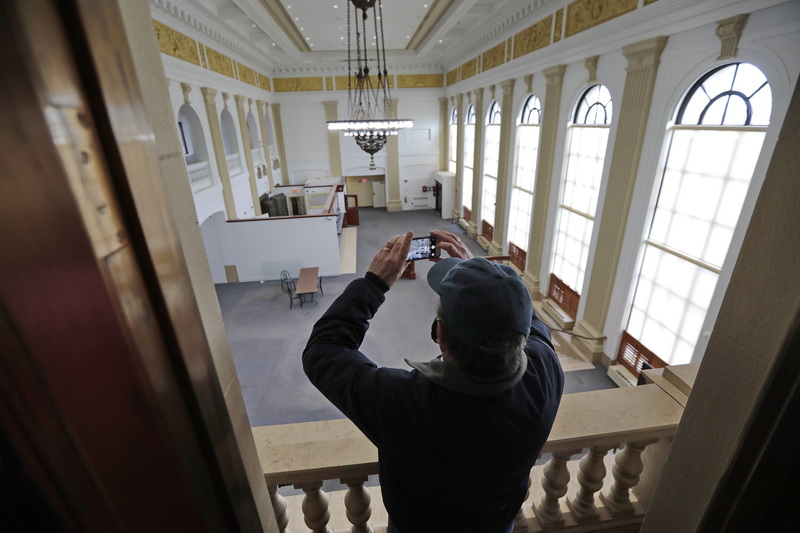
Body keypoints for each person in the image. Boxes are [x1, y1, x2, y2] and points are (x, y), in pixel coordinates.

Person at [303, 229, 564, 533]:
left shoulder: (400, 402)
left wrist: (373, 283)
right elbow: (535, 328)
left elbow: (323, 351)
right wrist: (490, 283)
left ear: (439, 334)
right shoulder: (544, 378)